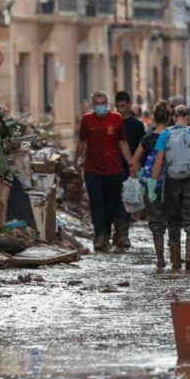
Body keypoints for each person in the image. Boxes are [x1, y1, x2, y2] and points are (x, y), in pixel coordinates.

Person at [149, 105, 190, 270]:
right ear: (189, 117)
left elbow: (158, 162)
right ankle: (189, 256)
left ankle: (176, 261)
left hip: (171, 181)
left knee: (173, 220)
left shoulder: (165, 134)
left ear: (173, 117)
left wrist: (152, 186)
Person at [75, 91, 135, 252]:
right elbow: (82, 141)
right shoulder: (87, 120)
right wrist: (76, 160)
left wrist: (131, 162)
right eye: (97, 103)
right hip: (92, 169)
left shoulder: (116, 119)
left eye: (103, 103)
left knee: (111, 205)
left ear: (107, 104)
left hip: (113, 169)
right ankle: (99, 236)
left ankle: (107, 233)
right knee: (96, 203)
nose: (100, 106)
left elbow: (123, 142)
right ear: (93, 105)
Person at [130, 101, 175, 269]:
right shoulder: (173, 137)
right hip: (172, 184)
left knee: (156, 223)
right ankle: (176, 259)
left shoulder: (147, 139)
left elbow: (134, 162)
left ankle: (160, 259)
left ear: (154, 118)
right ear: (170, 118)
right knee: (173, 220)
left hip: (152, 186)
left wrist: (142, 177)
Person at [111, 91, 146, 248]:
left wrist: (139, 167)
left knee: (126, 201)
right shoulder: (112, 123)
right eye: (118, 106)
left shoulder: (137, 125)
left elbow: (142, 147)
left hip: (129, 169)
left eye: (123, 106)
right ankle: (115, 232)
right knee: (113, 201)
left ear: (129, 105)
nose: (120, 109)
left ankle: (123, 234)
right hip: (112, 167)